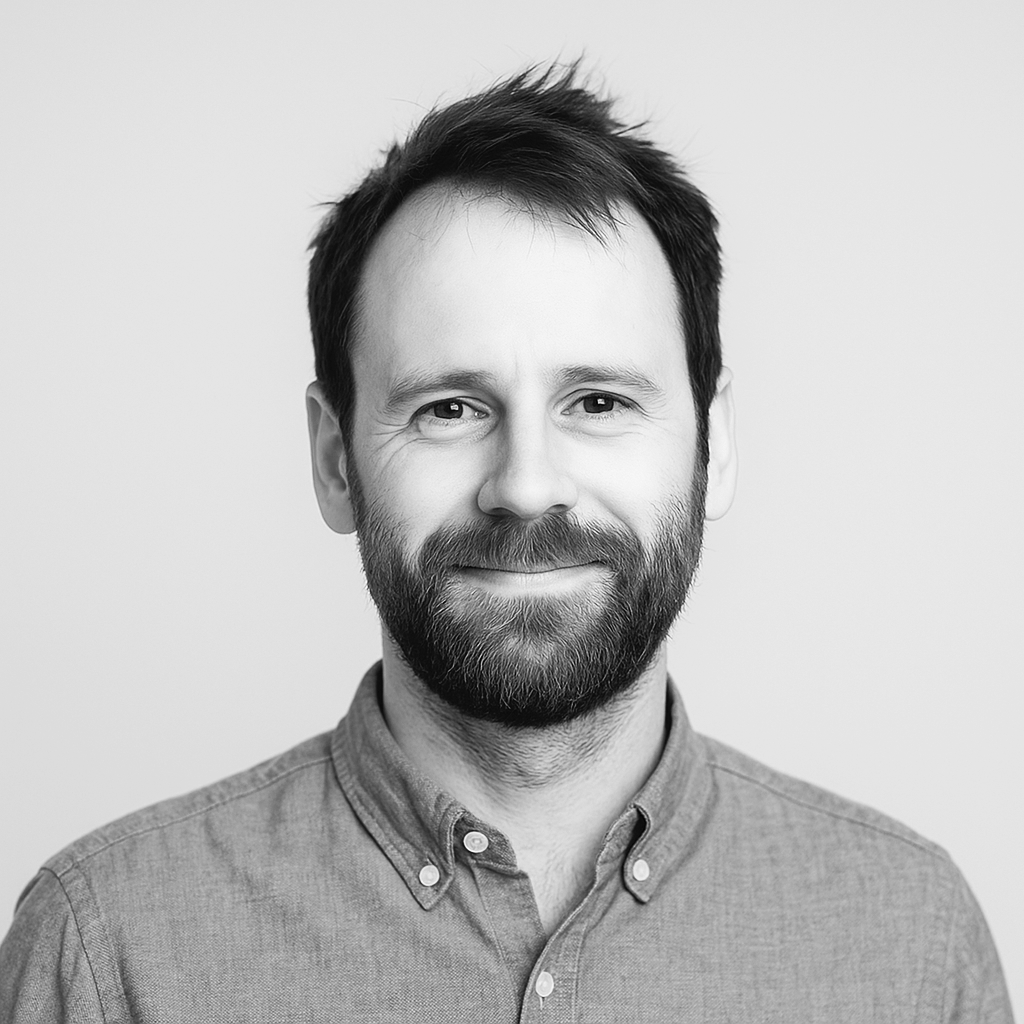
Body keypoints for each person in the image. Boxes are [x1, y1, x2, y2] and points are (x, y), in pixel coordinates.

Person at [0, 64, 1013, 1022]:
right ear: (335, 459)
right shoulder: (110, 947)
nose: (527, 484)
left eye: (600, 400)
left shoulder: (909, 943)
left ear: (716, 444)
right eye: (448, 407)